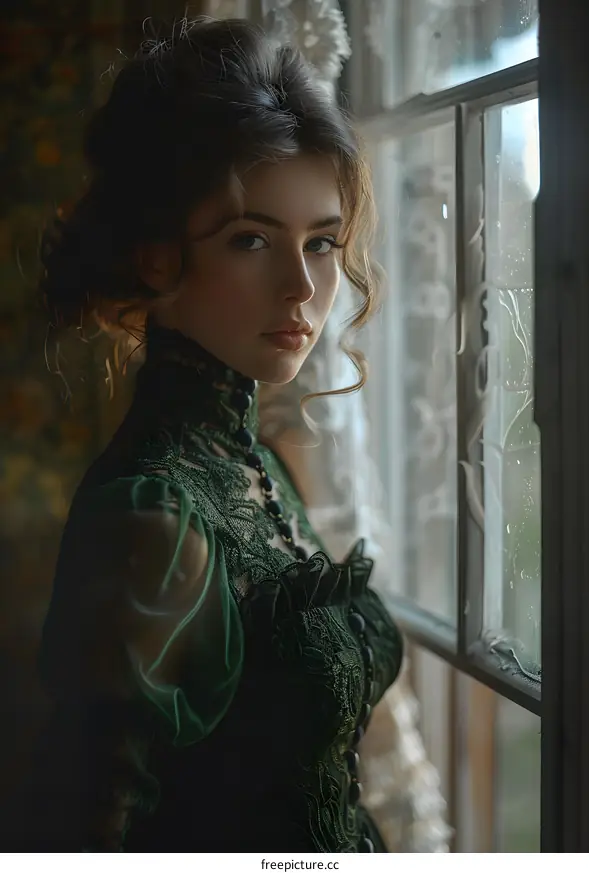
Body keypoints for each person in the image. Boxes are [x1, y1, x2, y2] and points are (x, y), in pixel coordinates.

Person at [25, 17, 403, 852]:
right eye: (252, 239)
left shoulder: (251, 462)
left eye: (322, 241)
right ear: (155, 255)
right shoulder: (156, 514)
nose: (302, 285)